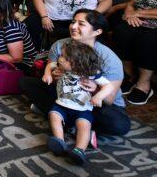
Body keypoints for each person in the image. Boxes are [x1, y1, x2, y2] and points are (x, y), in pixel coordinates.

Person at [19, 9, 131, 137]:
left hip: (95, 103)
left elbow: (109, 100)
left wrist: (94, 89)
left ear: (97, 31)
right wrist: (55, 77)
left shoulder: (109, 58)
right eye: (73, 22)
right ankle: (75, 125)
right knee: (26, 82)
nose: (73, 26)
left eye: (81, 24)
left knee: (119, 124)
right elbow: (53, 76)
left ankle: (64, 121)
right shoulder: (59, 45)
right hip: (67, 96)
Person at [44, 41, 114, 165]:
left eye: (64, 57)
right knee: (53, 115)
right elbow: (50, 65)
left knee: (84, 125)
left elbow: (108, 86)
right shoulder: (61, 66)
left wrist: (98, 96)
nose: (59, 58)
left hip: (82, 109)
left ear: (76, 63)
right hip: (61, 105)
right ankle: (59, 142)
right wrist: (47, 74)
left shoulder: (91, 74)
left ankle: (79, 149)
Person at [112, 0, 157, 105]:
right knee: (121, 32)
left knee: (148, 38)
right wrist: (129, 13)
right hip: (137, 20)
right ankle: (130, 76)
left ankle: (144, 84)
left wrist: (136, 13)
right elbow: (132, 2)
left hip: (154, 25)